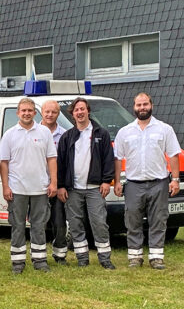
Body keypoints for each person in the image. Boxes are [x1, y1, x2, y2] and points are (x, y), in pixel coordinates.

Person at [114, 92, 181, 269]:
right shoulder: (125, 132)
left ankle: (156, 257)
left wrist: (175, 179)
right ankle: (135, 256)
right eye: (138, 105)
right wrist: (117, 181)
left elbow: (174, 154)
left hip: (159, 183)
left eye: (145, 104)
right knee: (132, 220)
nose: (142, 108)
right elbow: (117, 159)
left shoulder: (164, 129)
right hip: (133, 184)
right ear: (134, 107)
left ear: (151, 105)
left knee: (158, 220)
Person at [57, 98, 116, 269]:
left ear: (88, 111)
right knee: (75, 223)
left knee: (99, 222)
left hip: (95, 188)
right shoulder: (67, 136)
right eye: (76, 110)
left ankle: (105, 257)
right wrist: (61, 185)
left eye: (82, 109)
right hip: (73, 188)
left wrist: (106, 181)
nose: (80, 112)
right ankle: (82, 257)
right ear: (72, 113)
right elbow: (61, 163)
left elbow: (108, 159)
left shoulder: (101, 133)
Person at [0, 98, 57, 274]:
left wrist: (53, 182)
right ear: (18, 113)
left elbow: (51, 159)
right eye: (23, 110)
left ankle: (40, 260)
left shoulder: (44, 132)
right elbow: (4, 163)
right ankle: (18, 262)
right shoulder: (9, 134)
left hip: (40, 188)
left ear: (34, 113)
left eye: (30, 110)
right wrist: (5, 186)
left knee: (39, 225)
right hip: (17, 189)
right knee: (17, 226)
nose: (26, 113)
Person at [40, 99, 68, 264]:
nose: (50, 115)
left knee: (59, 222)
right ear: (42, 112)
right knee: (39, 223)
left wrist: (60, 185)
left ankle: (60, 254)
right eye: (47, 112)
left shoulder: (64, 135)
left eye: (54, 112)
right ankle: (39, 254)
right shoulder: (33, 132)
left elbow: (66, 163)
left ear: (58, 114)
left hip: (57, 186)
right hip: (37, 186)